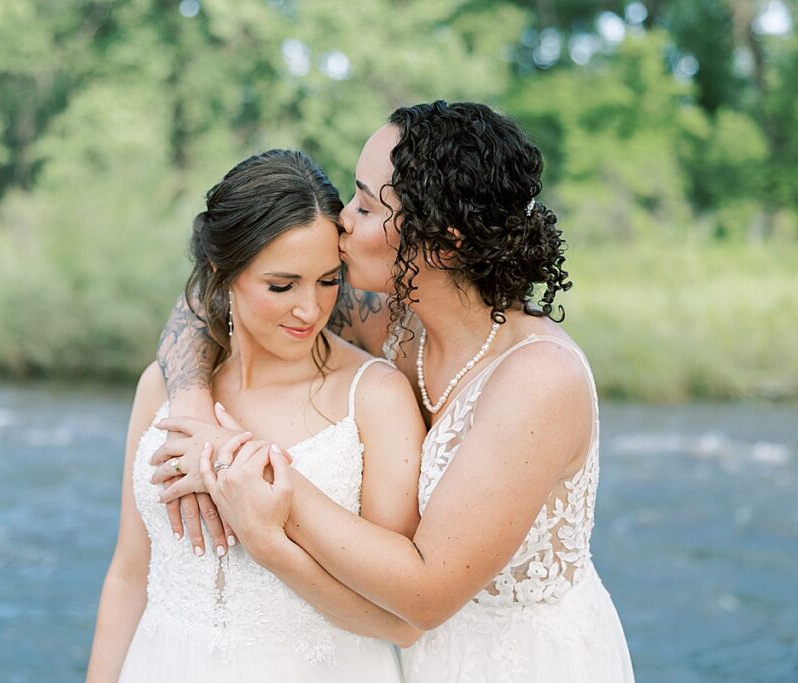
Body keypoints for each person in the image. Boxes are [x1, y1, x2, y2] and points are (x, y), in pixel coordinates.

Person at [154, 101, 635, 682]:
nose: (342, 223)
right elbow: (209, 298)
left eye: (364, 204)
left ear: (444, 241)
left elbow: (428, 593)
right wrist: (191, 410)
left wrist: (247, 468)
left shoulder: (537, 380)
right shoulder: (394, 321)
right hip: (399, 656)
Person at [85, 149, 425, 683]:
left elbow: (401, 620)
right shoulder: (163, 386)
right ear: (223, 273)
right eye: (281, 285)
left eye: (329, 281)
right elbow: (130, 574)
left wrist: (269, 536)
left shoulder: (374, 397)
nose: (310, 310)